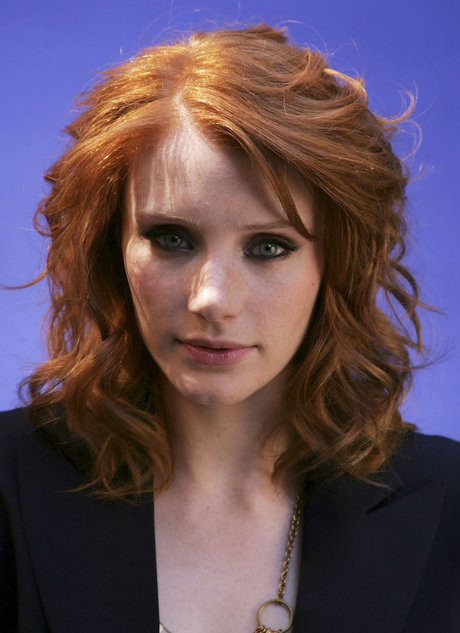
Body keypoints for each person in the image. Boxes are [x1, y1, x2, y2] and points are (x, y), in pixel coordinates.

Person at [1, 23, 459, 633]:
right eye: (171, 238)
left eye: (268, 247)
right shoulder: (9, 481)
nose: (212, 299)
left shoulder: (448, 502)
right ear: (113, 248)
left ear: (336, 263)